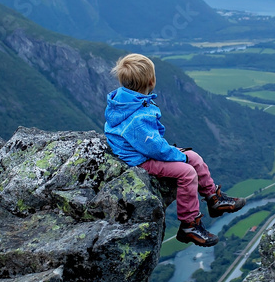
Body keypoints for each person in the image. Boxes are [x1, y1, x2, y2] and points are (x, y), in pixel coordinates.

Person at [104, 53, 246, 247]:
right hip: (139, 159)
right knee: (187, 172)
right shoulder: (137, 119)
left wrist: (179, 155)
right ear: (151, 81)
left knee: (193, 157)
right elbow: (155, 149)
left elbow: (152, 143)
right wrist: (177, 156)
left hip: (144, 149)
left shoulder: (125, 100)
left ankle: (214, 199)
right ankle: (189, 224)